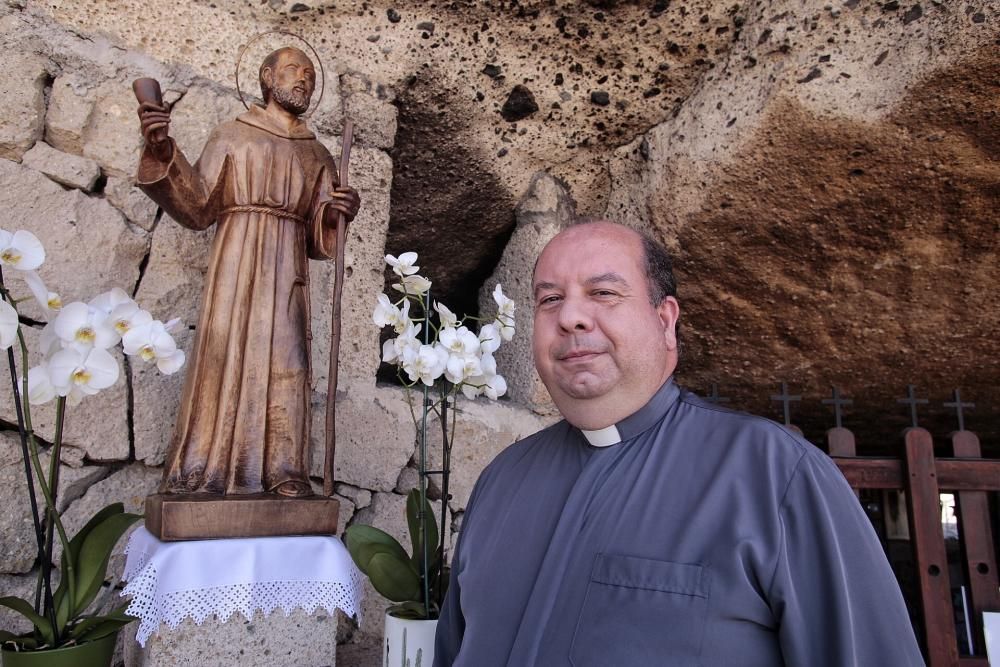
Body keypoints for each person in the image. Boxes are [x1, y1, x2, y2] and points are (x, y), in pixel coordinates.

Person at [434, 221, 922, 666]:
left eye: (603, 292)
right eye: (549, 300)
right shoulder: (502, 480)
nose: (572, 318)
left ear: (665, 321)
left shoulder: (775, 476)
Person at [136, 47, 360, 497]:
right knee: (224, 353)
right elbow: (198, 205)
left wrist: (339, 212)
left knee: (289, 361)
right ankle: (204, 468)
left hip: (288, 266)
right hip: (236, 260)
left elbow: (320, 237)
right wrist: (161, 149)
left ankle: (284, 470)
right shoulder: (232, 135)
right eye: (295, 71)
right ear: (266, 76)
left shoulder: (317, 153)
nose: (304, 80)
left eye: (311, 76)